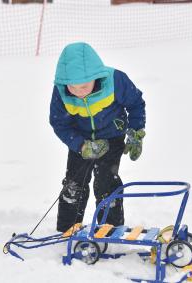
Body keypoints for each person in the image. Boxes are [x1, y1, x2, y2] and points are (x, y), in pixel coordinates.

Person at [49, 42, 146, 233]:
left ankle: (110, 230)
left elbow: (136, 104)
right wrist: (81, 145)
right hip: (81, 141)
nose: (78, 92)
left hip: (112, 139)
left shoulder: (115, 80)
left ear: (95, 76)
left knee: (106, 183)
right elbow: (59, 123)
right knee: (74, 185)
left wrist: (136, 132)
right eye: (73, 88)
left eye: (84, 86)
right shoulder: (61, 91)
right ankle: (67, 231)